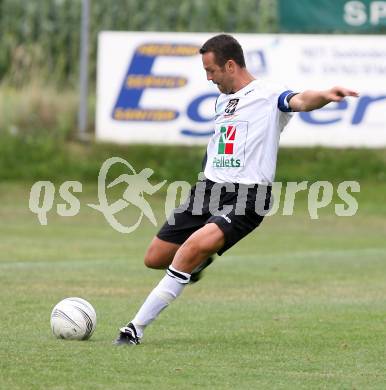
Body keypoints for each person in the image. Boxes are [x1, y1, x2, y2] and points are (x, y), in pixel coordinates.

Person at [114, 34, 358, 345]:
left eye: (211, 70)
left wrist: (325, 95)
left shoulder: (269, 95)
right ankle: (198, 261)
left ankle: (133, 329)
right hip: (208, 189)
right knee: (155, 257)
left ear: (230, 65)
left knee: (189, 250)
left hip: (247, 197)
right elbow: (217, 145)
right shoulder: (222, 100)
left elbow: (300, 100)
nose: (208, 78)